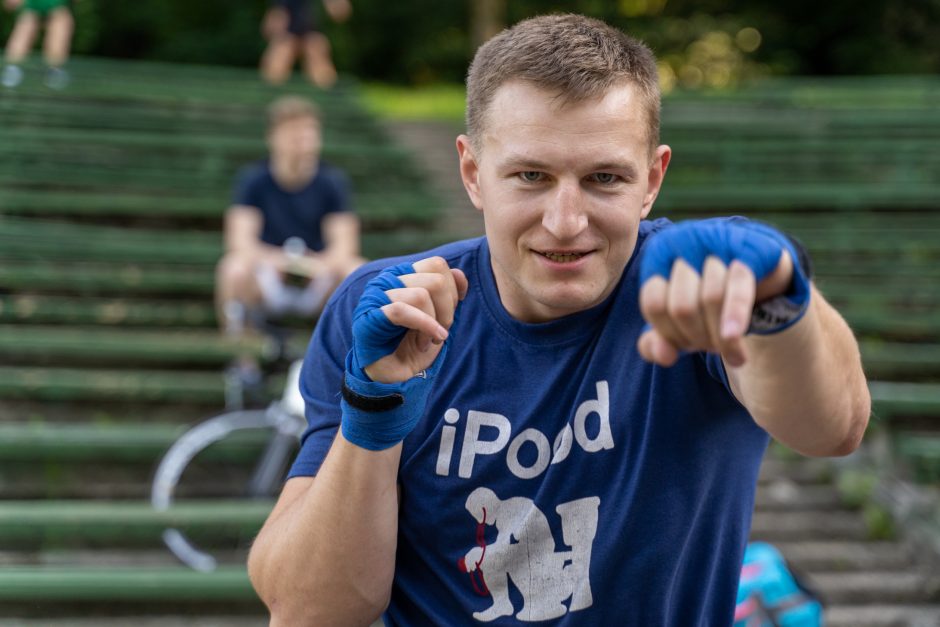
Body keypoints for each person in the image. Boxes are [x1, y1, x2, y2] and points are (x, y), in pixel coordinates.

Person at [247, 14, 870, 626]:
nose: (565, 222)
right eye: (531, 177)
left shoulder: (695, 290)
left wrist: (780, 303)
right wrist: (374, 409)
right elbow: (309, 611)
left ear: (652, 180)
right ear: (473, 173)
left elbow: (832, 428)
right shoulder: (390, 311)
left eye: (604, 178)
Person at [215, 95, 364, 402]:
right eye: (296, 134)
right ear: (274, 137)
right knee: (232, 269)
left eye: (310, 133)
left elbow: (345, 245)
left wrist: (317, 265)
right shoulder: (254, 180)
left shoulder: (331, 181)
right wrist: (279, 261)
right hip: (268, 278)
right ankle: (244, 365)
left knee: (357, 270)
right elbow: (239, 241)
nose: (304, 141)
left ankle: (356, 368)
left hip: (317, 280)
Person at [260, 0, 351, 89]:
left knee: (320, 66)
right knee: (276, 66)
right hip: (287, 34)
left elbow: (340, 12)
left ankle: (328, 97)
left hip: (311, 34)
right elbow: (271, 25)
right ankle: (270, 96)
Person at [1, 0, 74, 89]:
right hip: (32, 4)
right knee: (25, 28)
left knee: (60, 25)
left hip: (57, 4)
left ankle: (55, 70)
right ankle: (12, 68)